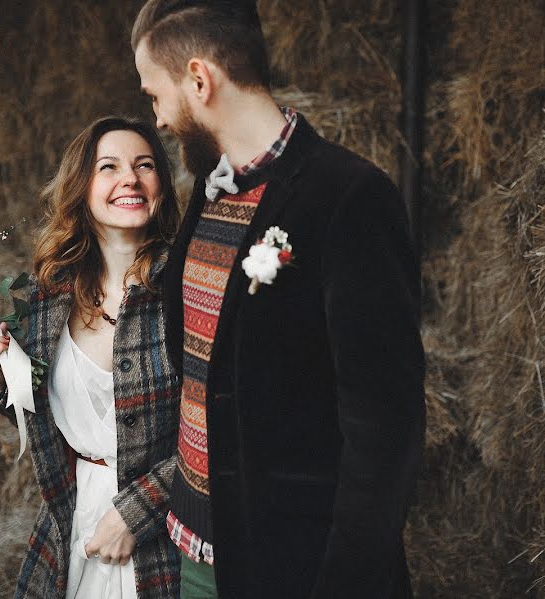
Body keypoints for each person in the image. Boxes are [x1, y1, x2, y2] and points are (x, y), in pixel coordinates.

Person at [131, 2, 426, 598]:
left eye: (155, 96)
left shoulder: (348, 198)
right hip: (193, 552)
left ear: (199, 79)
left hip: (290, 565)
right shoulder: (209, 192)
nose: (157, 120)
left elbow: (385, 430)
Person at [0, 116, 182, 599]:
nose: (131, 178)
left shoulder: (185, 290)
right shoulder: (48, 297)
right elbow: (49, 416)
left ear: (162, 184)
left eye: (145, 165)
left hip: (167, 533)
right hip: (71, 523)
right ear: (82, 188)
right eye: (109, 167)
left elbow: (221, 429)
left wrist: (136, 512)